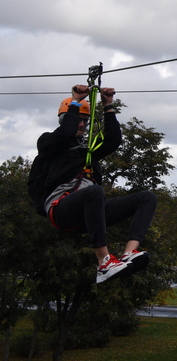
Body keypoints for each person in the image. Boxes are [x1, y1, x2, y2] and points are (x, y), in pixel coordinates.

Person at [31, 84, 157, 284]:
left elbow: (113, 141)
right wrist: (76, 100)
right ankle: (103, 263)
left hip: (89, 211)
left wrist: (108, 106)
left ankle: (129, 252)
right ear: (66, 119)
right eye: (77, 120)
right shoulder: (48, 144)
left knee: (147, 198)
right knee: (95, 191)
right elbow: (66, 133)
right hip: (61, 208)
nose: (81, 125)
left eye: (84, 121)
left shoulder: (86, 152)